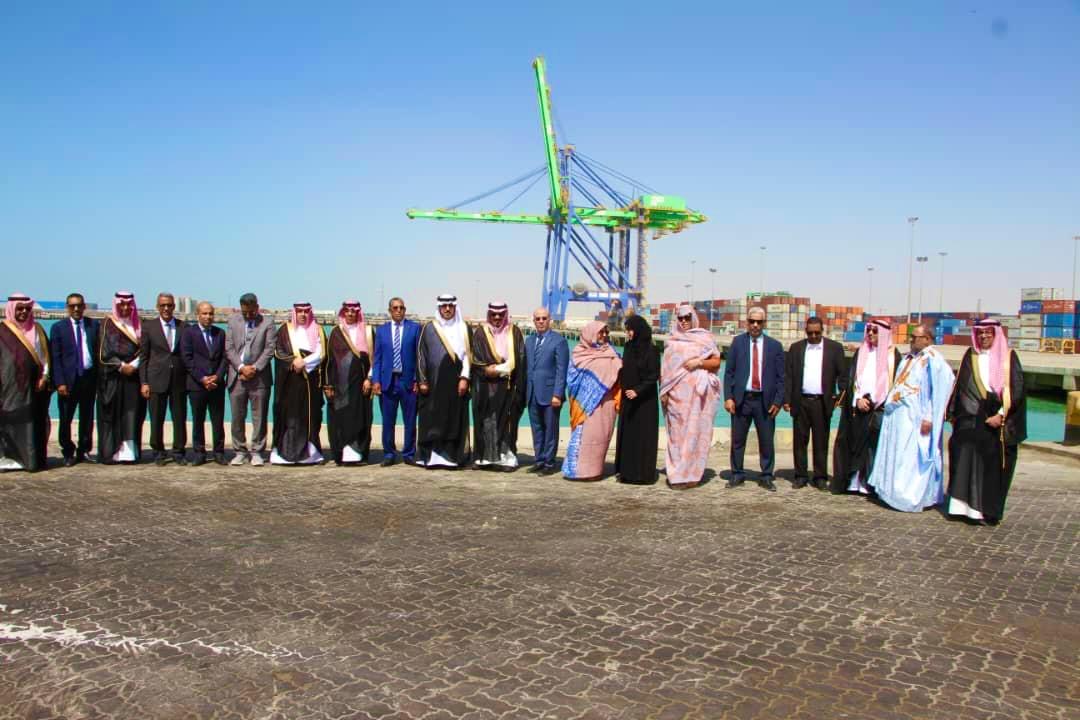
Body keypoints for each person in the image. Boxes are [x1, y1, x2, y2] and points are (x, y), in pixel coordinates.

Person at [946, 319, 1027, 525]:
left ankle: (985, 512)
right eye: (980, 333)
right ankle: (962, 509)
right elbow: (961, 387)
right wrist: (954, 415)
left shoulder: (1009, 357)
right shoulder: (970, 355)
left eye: (988, 332)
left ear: (996, 334)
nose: (983, 336)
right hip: (970, 421)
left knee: (990, 469)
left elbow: (1016, 390)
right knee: (964, 462)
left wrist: (1000, 415)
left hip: (996, 421)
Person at [869, 325, 955, 512]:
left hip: (917, 417)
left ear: (927, 339)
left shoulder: (934, 361)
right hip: (899, 415)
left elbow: (939, 391)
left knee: (912, 457)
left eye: (915, 337)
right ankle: (891, 492)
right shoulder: (909, 358)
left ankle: (910, 495)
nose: (911, 340)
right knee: (898, 453)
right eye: (911, 336)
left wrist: (929, 417)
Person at [831, 319, 900, 495]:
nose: (870, 334)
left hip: (879, 409)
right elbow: (852, 379)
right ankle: (852, 481)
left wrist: (875, 401)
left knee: (872, 448)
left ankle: (870, 483)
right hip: (858, 406)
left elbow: (894, 385)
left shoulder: (893, 356)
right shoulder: (861, 352)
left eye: (874, 331)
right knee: (852, 443)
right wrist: (858, 399)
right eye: (868, 330)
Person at [660, 304, 722, 489]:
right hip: (676, 399)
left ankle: (693, 475)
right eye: (680, 318)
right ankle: (676, 475)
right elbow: (665, 371)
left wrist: (699, 362)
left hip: (700, 399)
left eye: (687, 317)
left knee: (697, 435)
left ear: (693, 317)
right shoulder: (672, 342)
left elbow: (716, 362)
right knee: (677, 436)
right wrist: (664, 392)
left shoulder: (705, 338)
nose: (684, 321)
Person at [724, 307, 784, 491]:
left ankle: (766, 476)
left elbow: (781, 378)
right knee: (737, 440)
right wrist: (728, 397)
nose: (755, 325)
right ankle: (737, 474)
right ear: (747, 323)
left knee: (766, 441)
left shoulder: (775, 346)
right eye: (752, 321)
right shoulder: (737, 343)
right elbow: (729, 373)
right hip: (742, 400)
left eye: (759, 322)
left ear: (764, 323)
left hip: (765, 401)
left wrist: (778, 401)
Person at [784, 317, 847, 489]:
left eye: (816, 333)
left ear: (822, 331)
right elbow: (788, 376)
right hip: (800, 401)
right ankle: (800, 475)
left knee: (821, 442)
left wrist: (839, 398)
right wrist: (787, 399)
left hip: (822, 402)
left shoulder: (834, 348)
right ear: (805, 331)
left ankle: (820, 476)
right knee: (800, 441)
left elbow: (843, 376)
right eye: (810, 333)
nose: (813, 336)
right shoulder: (796, 348)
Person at [470, 301, 527, 470]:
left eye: (500, 315)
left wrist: (506, 371)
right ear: (489, 315)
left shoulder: (514, 332)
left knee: (506, 424)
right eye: (493, 314)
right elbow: (475, 358)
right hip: (485, 387)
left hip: (508, 387)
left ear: (505, 315)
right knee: (487, 422)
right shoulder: (481, 332)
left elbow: (520, 358)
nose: (497, 317)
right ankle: (485, 459)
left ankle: (505, 459)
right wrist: (486, 369)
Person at [416, 294, 472, 468]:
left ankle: (451, 457)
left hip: (456, 383)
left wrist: (465, 378)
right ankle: (432, 456)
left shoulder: (464, 328)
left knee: (453, 418)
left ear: (455, 307)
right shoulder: (429, 328)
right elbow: (421, 355)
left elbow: (468, 357)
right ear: (439, 308)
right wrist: (422, 380)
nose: (447, 309)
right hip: (433, 383)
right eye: (444, 306)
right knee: (433, 417)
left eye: (450, 306)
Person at [562, 321, 621, 481]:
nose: (604, 336)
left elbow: (619, 373)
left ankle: (595, 471)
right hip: (584, 406)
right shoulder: (578, 353)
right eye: (600, 332)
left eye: (606, 332)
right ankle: (578, 472)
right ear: (590, 333)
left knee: (600, 438)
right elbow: (572, 379)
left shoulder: (611, 352)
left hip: (606, 403)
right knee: (584, 437)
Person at [0, 294, 52, 472]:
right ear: (11, 309)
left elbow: (45, 358)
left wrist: (45, 377)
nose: (23, 312)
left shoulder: (38, 330)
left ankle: (30, 459)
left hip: (34, 388)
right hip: (8, 388)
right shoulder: (2, 331)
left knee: (31, 422)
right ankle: (8, 459)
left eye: (27, 309)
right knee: (8, 421)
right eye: (20, 309)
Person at [271, 302, 327, 465]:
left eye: (306, 311)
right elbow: (278, 351)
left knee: (310, 416)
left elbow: (322, 352)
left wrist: (305, 362)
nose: (303, 314)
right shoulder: (285, 329)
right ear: (295, 313)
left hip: (310, 381)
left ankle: (310, 453)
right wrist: (293, 361)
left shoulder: (318, 329)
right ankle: (286, 452)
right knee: (289, 415)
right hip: (289, 381)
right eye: (300, 311)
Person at [225, 293, 276, 466]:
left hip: (259, 378)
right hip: (237, 376)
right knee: (237, 417)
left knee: (259, 417)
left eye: (251, 312)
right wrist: (241, 367)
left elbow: (269, 349)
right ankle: (239, 451)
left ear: (257, 307)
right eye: (244, 312)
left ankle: (257, 451)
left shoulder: (267, 323)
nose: (247, 315)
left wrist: (254, 368)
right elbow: (229, 348)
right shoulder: (233, 321)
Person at [97, 291, 147, 464]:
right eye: (122, 305)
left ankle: (129, 453)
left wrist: (134, 365)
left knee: (132, 414)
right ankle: (112, 452)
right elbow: (103, 352)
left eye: (128, 305)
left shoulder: (139, 324)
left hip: (133, 378)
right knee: (113, 415)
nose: (125, 308)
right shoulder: (107, 324)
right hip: (113, 378)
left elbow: (145, 349)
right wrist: (120, 366)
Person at [139, 292, 188, 466]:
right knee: (156, 418)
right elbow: (144, 357)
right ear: (157, 307)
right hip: (156, 379)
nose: (166, 308)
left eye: (169, 305)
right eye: (162, 305)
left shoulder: (184, 326)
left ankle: (178, 451)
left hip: (179, 380)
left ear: (174, 306)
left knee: (179, 418)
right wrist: (144, 382)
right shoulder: (148, 327)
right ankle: (158, 451)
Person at [370, 297, 420, 466]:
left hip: (408, 381)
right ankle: (389, 454)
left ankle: (409, 454)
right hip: (388, 382)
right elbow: (377, 358)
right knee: (388, 421)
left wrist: (417, 379)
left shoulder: (414, 328)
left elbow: (419, 357)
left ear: (405, 310)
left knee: (410, 420)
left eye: (401, 308)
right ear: (390, 311)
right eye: (395, 308)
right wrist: (376, 380)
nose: (399, 311)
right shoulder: (381, 331)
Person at [49, 292, 98, 466]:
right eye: (72, 306)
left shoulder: (93, 325)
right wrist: (60, 382)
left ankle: (84, 450)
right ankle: (68, 452)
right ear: (67, 307)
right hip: (68, 381)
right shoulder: (58, 328)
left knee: (87, 417)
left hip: (89, 378)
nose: (76, 309)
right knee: (65, 418)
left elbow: (98, 352)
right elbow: (55, 357)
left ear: (84, 306)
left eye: (79, 305)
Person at [326, 300, 375, 466]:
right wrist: (328, 385)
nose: (350, 314)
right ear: (343, 312)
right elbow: (329, 360)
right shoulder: (336, 332)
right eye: (347, 311)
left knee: (361, 418)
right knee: (342, 419)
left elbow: (375, 359)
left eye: (353, 311)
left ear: (358, 313)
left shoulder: (368, 332)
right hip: (340, 387)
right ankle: (342, 454)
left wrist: (369, 379)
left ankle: (358, 453)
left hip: (362, 387)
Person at [180, 302, 228, 466]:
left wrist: (217, 377)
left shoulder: (220, 333)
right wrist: (202, 378)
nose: (208, 317)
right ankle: (199, 452)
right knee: (198, 420)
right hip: (197, 385)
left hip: (216, 385)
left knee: (218, 420)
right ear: (198, 315)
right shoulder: (189, 333)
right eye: (205, 314)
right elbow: (187, 359)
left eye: (210, 314)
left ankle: (219, 452)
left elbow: (224, 358)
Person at [614, 314, 660, 484]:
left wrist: (638, 391)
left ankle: (642, 475)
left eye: (630, 330)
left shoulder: (652, 350)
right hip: (628, 400)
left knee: (643, 438)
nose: (628, 333)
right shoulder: (628, 347)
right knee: (628, 437)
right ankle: (626, 473)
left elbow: (653, 375)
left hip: (645, 402)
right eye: (627, 330)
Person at [524, 307, 568, 475]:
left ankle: (549, 463)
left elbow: (561, 370)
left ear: (550, 320)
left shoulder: (559, 341)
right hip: (532, 393)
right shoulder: (529, 341)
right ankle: (539, 460)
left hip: (550, 394)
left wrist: (558, 394)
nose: (541, 321)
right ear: (533, 321)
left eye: (544, 318)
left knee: (550, 429)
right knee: (537, 429)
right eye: (538, 319)